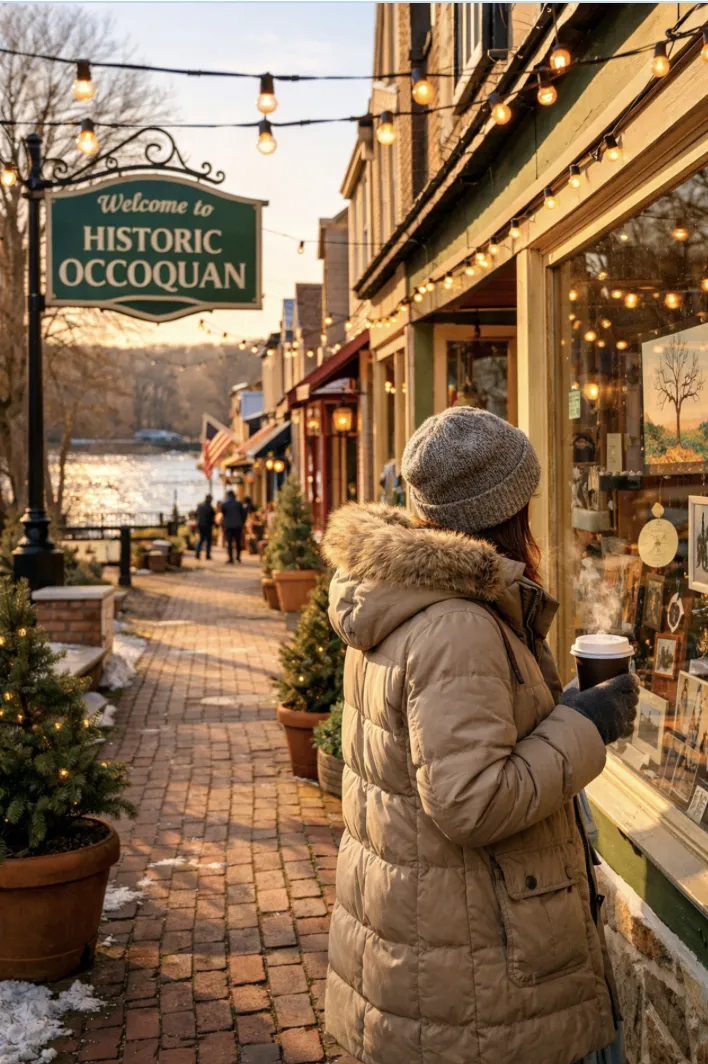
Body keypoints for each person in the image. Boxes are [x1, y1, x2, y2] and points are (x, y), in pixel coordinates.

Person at [321, 406, 637, 1064]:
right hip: (477, 982)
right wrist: (585, 725)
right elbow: (471, 800)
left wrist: (561, 713)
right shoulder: (456, 624)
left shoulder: (402, 595)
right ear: (508, 511)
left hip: (429, 949)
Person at [221, 489, 245, 564]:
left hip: (228, 525)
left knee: (229, 542)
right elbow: (243, 514)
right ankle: (238, 557)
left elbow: (223, 514)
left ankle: (231, 558)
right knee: (238, 542)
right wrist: (242, 522)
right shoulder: (239, 503)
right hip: (238, 525)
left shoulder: (224, 504)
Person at [194, 494, 215, 561]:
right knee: (208, 540)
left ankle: (197, 552)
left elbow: (196, 515)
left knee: (201, 539)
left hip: (200, 524)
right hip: (208, 525)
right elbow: (212, 517)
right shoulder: (210, 507)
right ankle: (207, 555)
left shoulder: (200, 506)